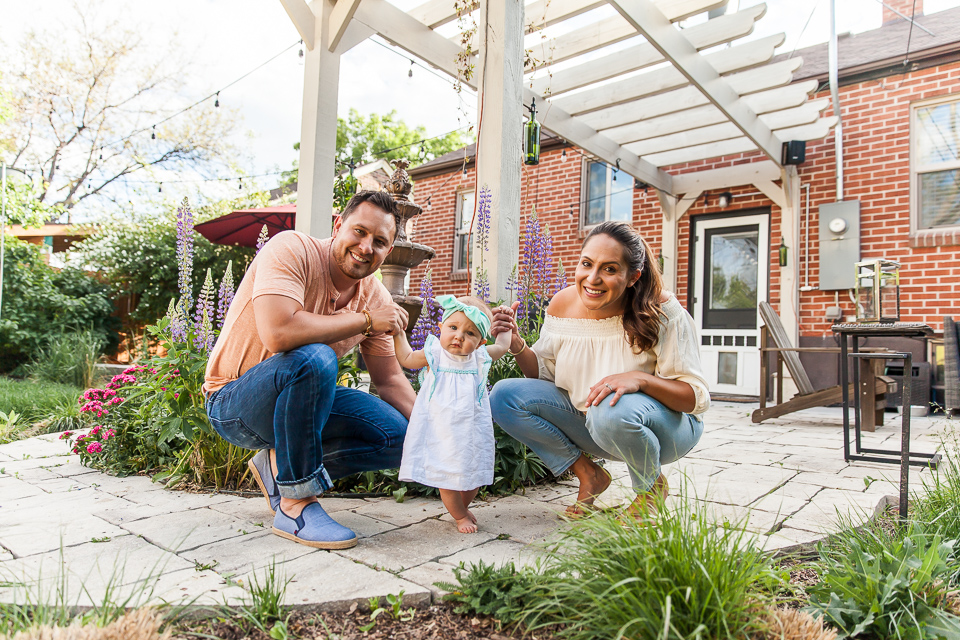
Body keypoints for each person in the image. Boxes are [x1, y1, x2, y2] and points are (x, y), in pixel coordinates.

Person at [203, 190, 416, 550]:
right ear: (338, 226)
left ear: (389, 251)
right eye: (360, 232)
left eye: (380, 242)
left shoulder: (376, 297)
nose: (366, 247)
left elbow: (392, 380)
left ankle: (278, 470)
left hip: (298, 406)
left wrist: (438, 431)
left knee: (401, 436)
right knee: (316, 358)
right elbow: (279, 332)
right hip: (234, 402)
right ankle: (296, 504)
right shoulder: (292, 249)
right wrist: (364, 321)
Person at [489, 221, 709, 522]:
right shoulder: (562, 304)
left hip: (668, 430)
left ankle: (650, 490)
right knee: (504, 396)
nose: (592, 278)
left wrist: (640, 380)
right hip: (595, 423)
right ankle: (589, 474)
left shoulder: (661, 311)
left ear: (633, 277)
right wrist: (516, 343)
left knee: (610, 407)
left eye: (609, 269)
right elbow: (542, 374)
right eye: (586, 264)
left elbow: (692, 399)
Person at [393, 295, 513, 533]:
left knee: (475, 476)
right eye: (453, 327)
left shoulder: (478, 358)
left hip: (471, 431)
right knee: (446, 476)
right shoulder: (435, 353)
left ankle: (463, 506)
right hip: (441, 430)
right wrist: (398, 332)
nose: (459, 336)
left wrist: (507, 323)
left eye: (470, 333)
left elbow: (502, 346)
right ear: (440, 328)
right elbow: (406, 358)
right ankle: (459, 516)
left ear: (480, 342)